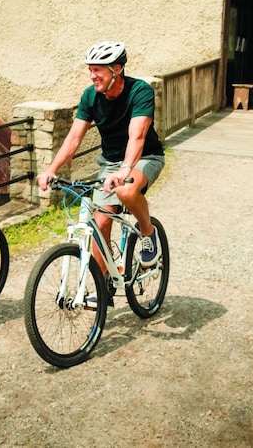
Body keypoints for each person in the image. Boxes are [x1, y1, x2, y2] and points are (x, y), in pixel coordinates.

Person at [37, 41, 165, 303]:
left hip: (144, 157)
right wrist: (51, 169)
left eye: (98, 70)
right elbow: (74, 138)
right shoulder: (90, 96)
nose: (92, 75)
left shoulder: (139, 91)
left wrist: (125, 170)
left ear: (116, 69)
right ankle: (102, 285)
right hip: (110, 163)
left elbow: (137, 137)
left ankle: (148, 232)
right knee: (100, 223)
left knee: (126, 190)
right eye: (90, 70)